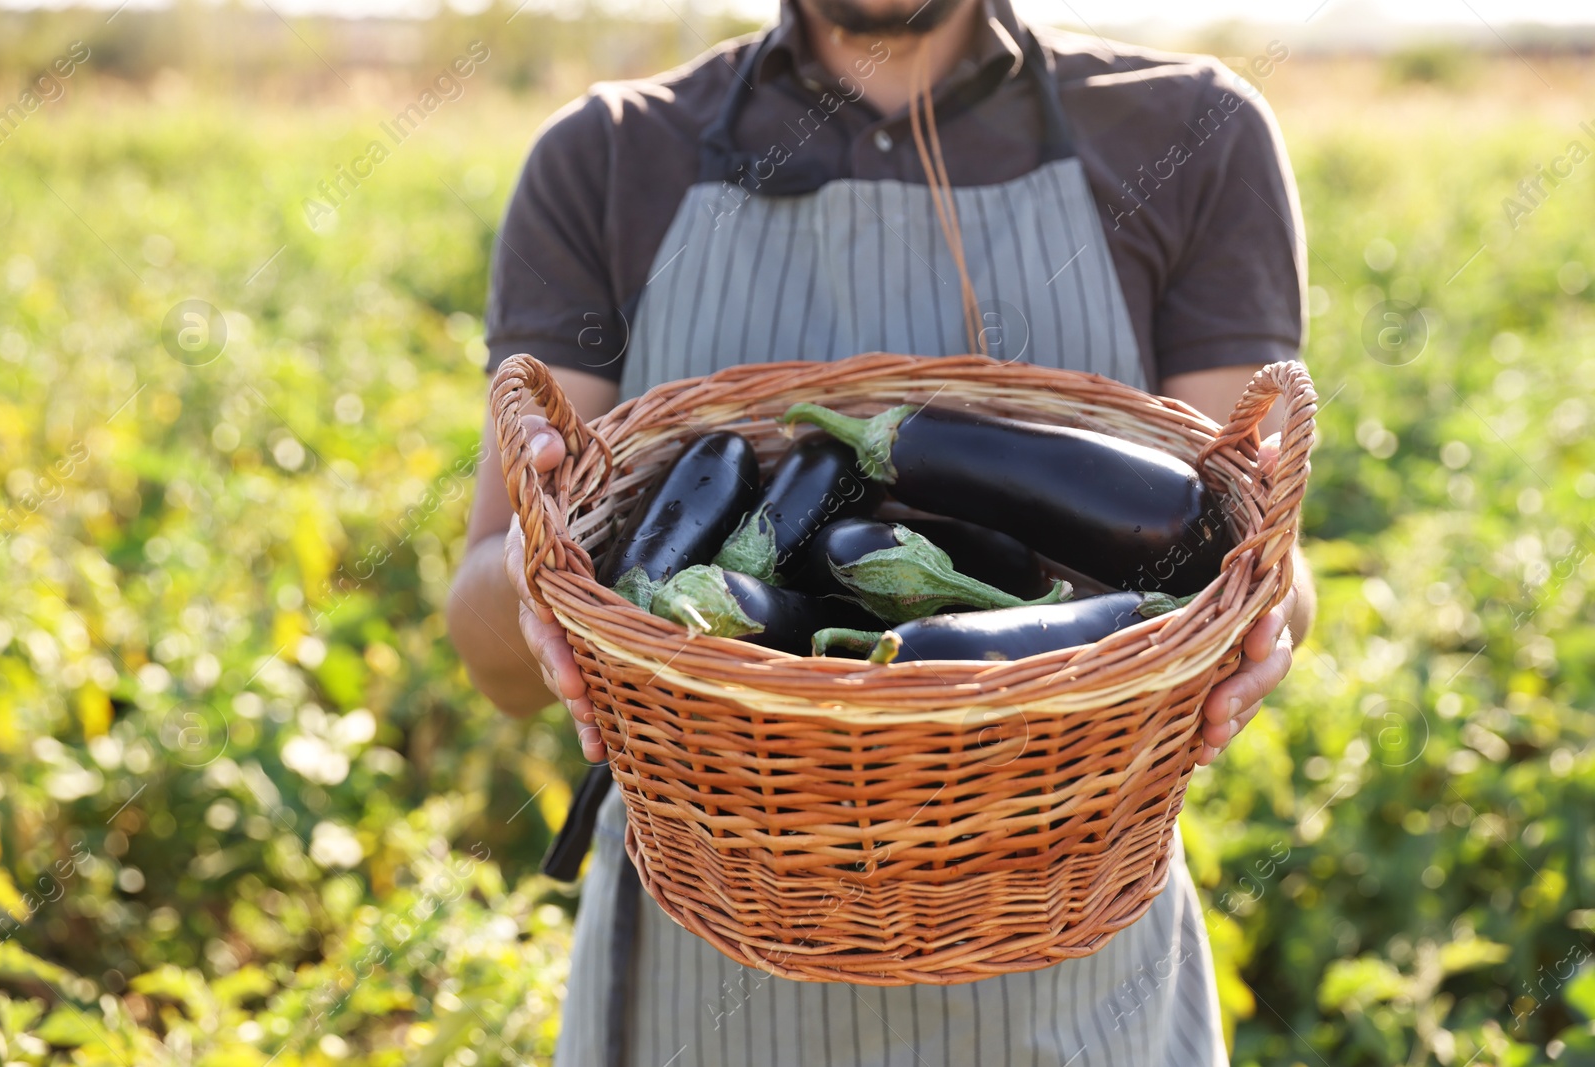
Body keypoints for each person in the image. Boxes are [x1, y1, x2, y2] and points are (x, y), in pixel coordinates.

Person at [449, 1, 1316, 1063]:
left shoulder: (1190, 134)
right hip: (704, 979)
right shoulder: (612, 155)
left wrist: (1265, 607)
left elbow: (1233, 546)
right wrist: (547, 580)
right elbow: (491, 647)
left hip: (1070, 973)